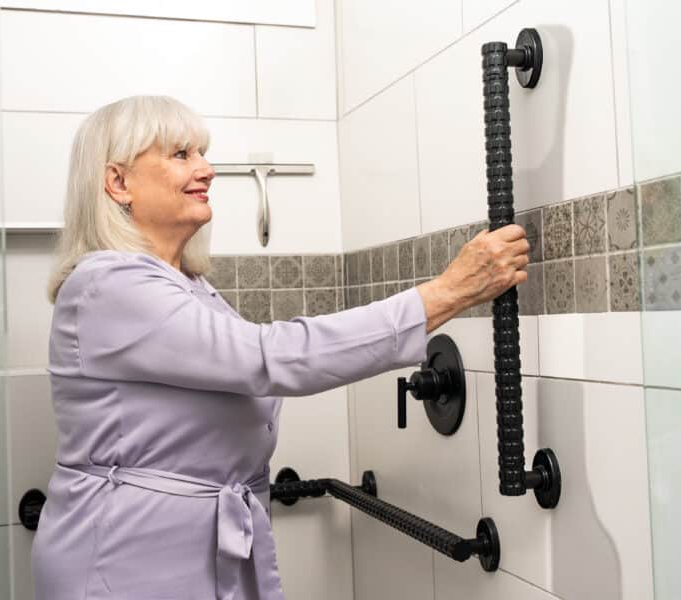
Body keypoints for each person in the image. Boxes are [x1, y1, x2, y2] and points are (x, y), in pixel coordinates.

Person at [32, 95, 529, 600]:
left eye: (202, 153)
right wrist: (447, 293)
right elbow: (268, 357)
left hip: (182, 550)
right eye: (182, 155)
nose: (206, 169)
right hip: (125, 558)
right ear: (118, 182)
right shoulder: (108, 286)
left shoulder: (185, 285)